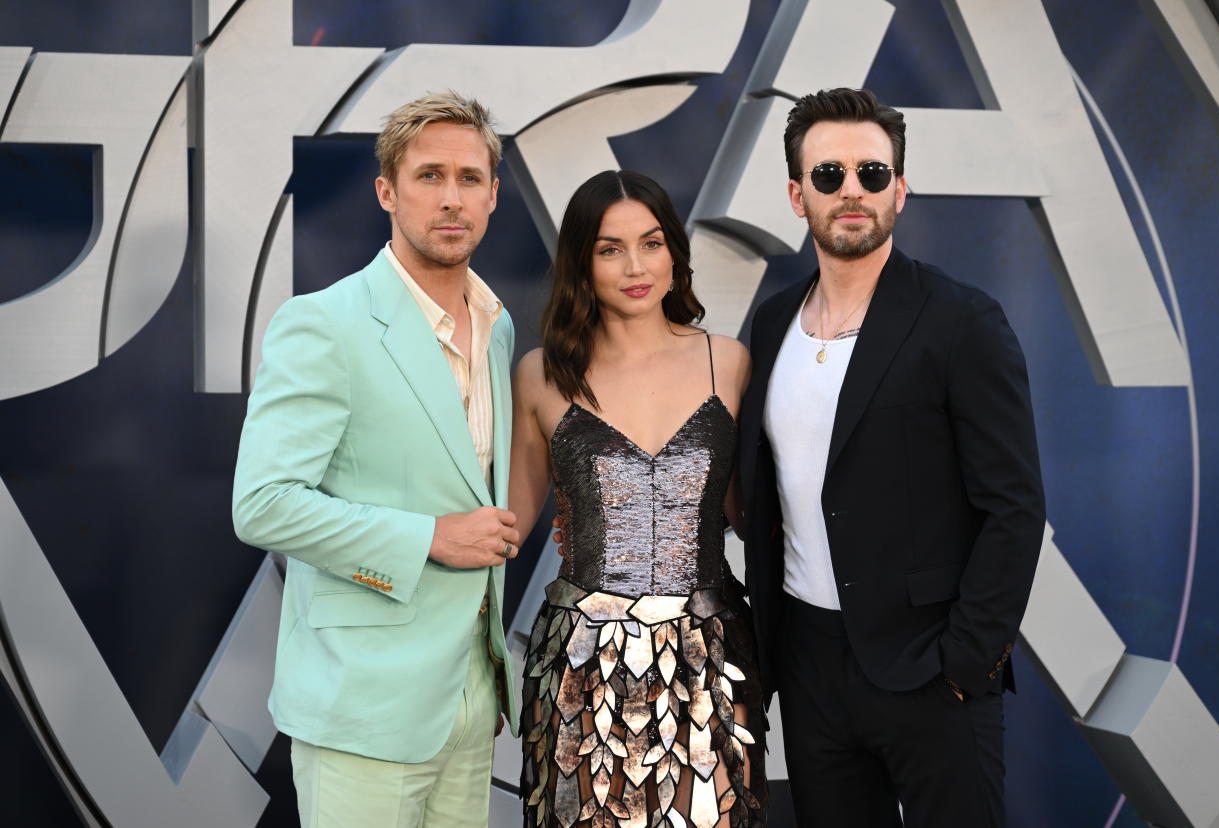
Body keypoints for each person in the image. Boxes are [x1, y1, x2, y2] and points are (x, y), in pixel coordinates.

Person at [738, 88, 1045, 826]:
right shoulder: (773, 320)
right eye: (829, 175)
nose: (852, 191)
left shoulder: (961, 320)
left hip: (931, 668)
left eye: (873, 175)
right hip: (811, 668)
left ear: (900, 191)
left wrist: (965, 664)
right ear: (795, 193)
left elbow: (1015, 506)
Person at [231, 91, 519, 828]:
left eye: (467, 178)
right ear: (387, 192)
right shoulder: (323, 325)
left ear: (492, 193)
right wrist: (428, 537)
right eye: (429, 177)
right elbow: (262, 503)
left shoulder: (498, 325)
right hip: (363, 704)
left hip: (470, 699)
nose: (450, 199)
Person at [509, 170, 765, 827]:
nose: (635, 266)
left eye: (651, 243)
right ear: (579, 264)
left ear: (675, 252)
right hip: (580, 664)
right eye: (609, 248)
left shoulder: (728, 362)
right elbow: (505, 526)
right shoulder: (539, 375)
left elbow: (753, 516)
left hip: (710, 657)